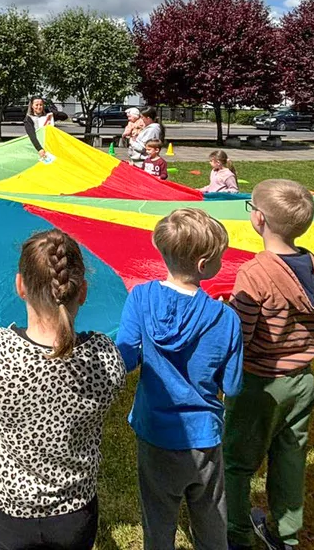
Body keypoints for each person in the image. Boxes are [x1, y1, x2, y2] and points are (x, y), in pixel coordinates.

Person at [0, 230, 126, 550]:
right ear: (82, 291)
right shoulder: (105, 357)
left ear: (20, 285)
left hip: (2, 510)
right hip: (74, 512)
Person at [116, 209, 243, 550]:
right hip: (204, 437)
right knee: (211, 518)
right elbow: (232, 386)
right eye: (220, 258)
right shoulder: (226, 318)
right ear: (203, 265)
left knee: (157, 520)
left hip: (154, 432)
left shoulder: (140, 298)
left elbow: (124, 360)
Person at [224, 180, 314, 550]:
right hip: (302, 381)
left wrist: (227, 314)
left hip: (260, 383)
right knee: (290, 456)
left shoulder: (255, 273)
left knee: (237, 462)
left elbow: (241, 336)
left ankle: (236, 534)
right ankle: (286, 535)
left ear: (258, 219)